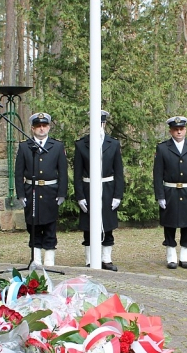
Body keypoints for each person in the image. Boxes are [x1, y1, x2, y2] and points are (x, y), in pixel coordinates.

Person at [73, 111, 125, 270]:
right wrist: (80, 196)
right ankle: (90, 260)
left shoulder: (113, 144)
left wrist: (117, 195)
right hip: (88, 188)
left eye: (101, 123)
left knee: (107, 224)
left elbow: (118, 172)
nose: (98, 126)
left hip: (108, 188)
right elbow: (77, 173)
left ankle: (106, 259)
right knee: (89, 226)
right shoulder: (82, 144)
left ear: (104, 124)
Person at [15, 112, 68, 267]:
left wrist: (61, 193)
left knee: (50, 225)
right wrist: (20, 194)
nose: (41, 129)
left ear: (49, 127)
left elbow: (63, 172)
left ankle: (49, 259)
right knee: (33, 225)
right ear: (32, 128)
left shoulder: (57, 146)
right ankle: (36, 259)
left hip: (51, 192)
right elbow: (18, 173)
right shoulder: (25, 147)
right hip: (31, 190)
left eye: (44, 126)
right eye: (38, 126)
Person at [153, 116, 187, 269]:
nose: (179, 132)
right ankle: (171, 256)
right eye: (176, 129)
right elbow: (157, 174)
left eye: (181, 129)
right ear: (171, 131)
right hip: (170, 191)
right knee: (170, 224)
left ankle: (185, 256)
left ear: (185, 130)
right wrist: (160, 195)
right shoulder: (162, 148)